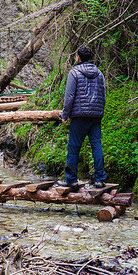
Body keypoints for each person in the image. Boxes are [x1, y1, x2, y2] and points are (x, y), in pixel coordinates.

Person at [57, 45, 107, 189]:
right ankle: (99, 179)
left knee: (74, 147)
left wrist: (64, 114)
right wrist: (100, 112)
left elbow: (70, 96)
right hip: (96, 116)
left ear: (78, 57)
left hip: (79, 116)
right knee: (96, 146)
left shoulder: (74, 72)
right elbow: (103, 96)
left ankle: (71, 179)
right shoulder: (99, 73)